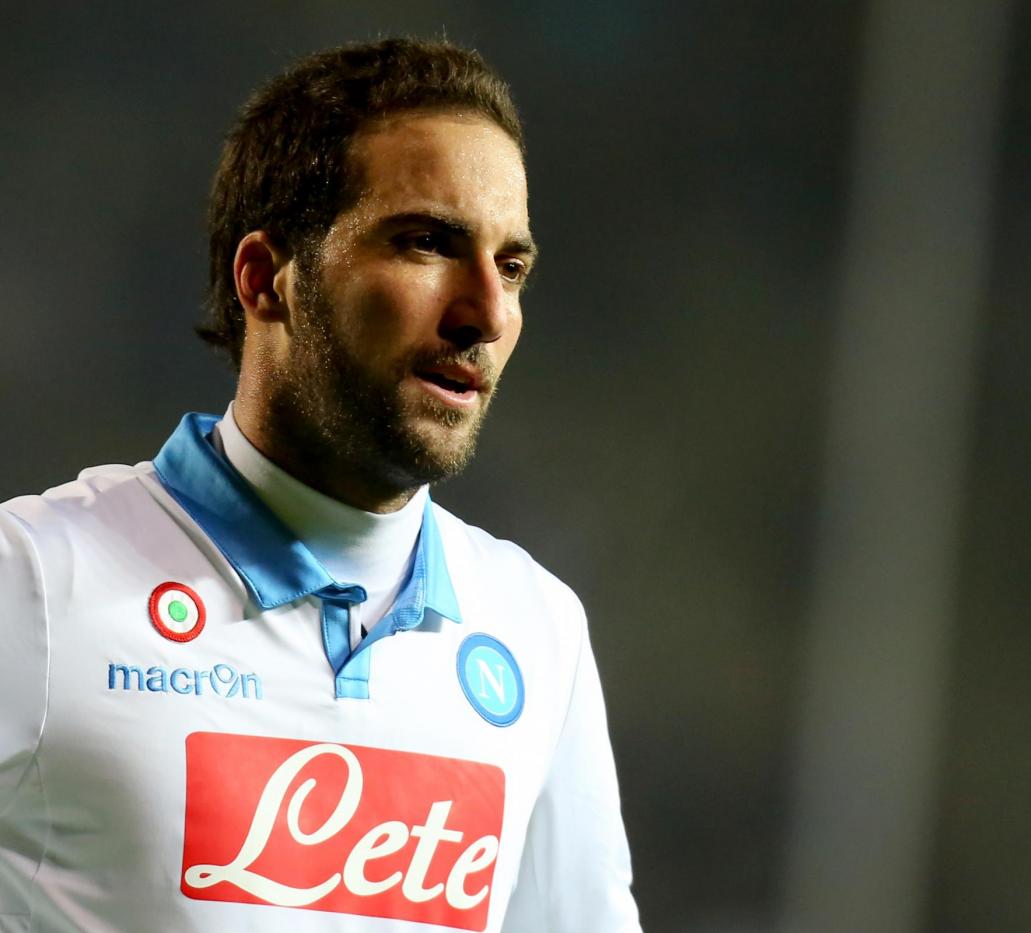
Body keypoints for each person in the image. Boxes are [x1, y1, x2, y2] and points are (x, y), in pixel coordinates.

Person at [0, 38, 641, 932]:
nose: (487, 313)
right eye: (427, 243)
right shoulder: (33, 581)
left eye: (511, 266)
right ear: (268, 280)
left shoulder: (538, 631)